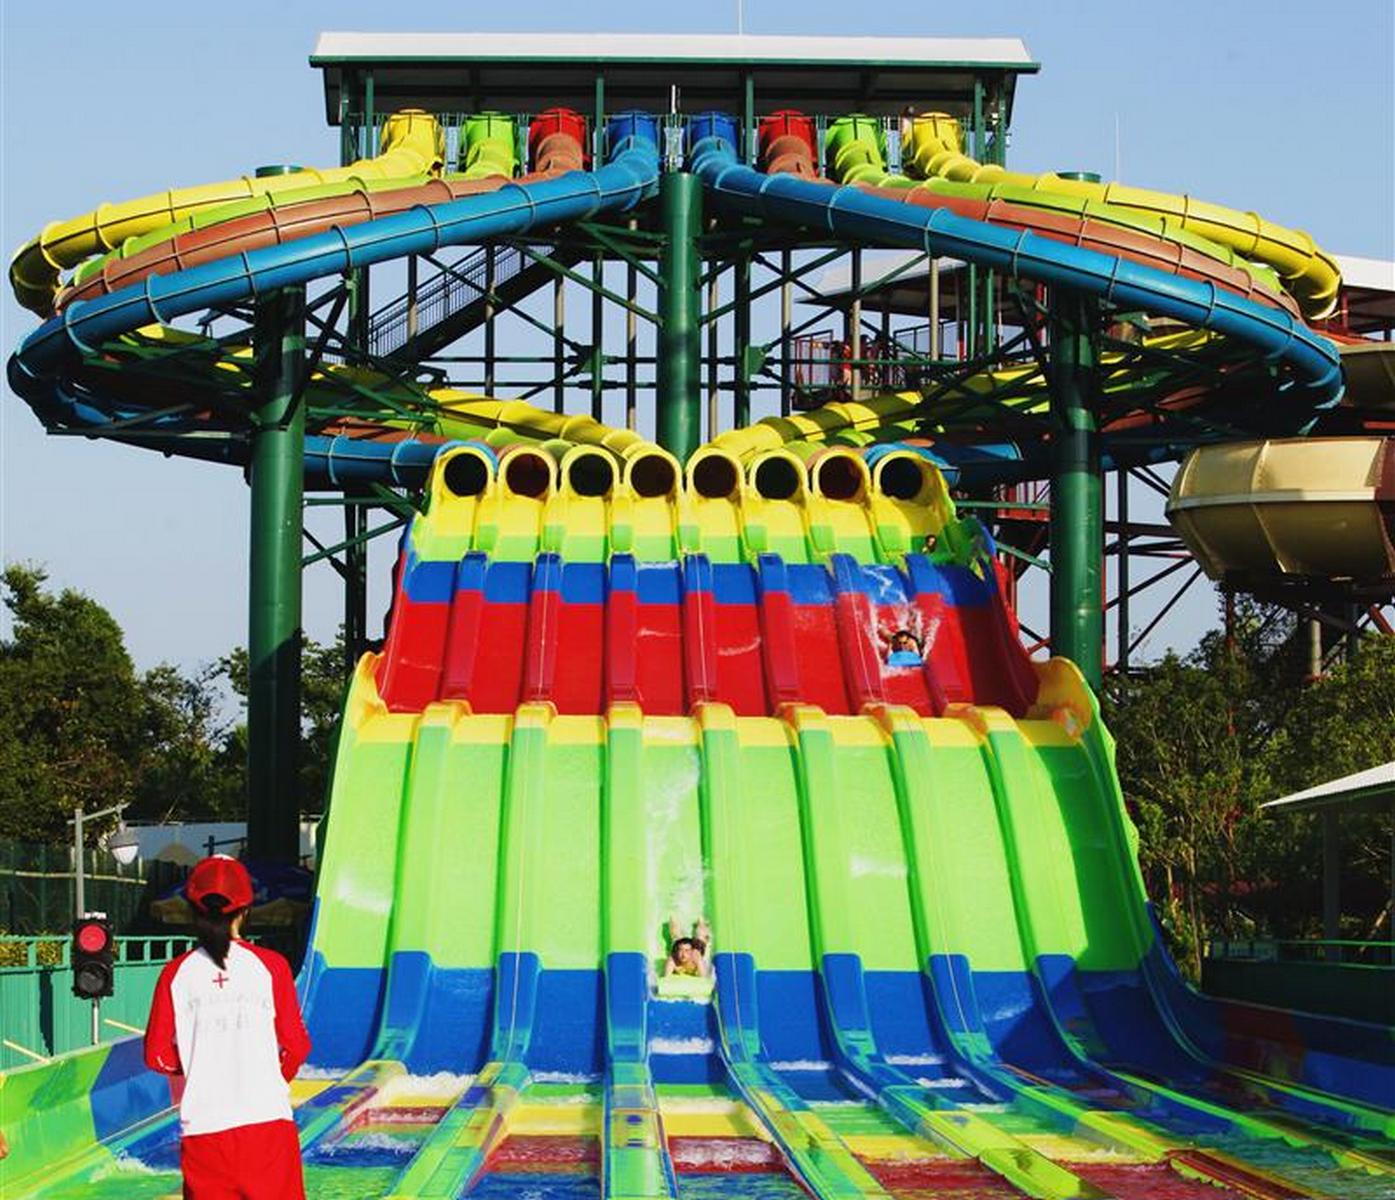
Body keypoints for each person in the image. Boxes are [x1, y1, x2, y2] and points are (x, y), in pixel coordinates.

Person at [145, 855, 311, 1200]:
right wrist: (274, 1076)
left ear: (194, 909)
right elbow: (296, 1046)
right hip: (268, 1125)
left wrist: (196, 1062)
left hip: (204, 1133)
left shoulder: (175, 974)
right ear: (246, 909)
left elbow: (156, 1055)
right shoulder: (271, 966)